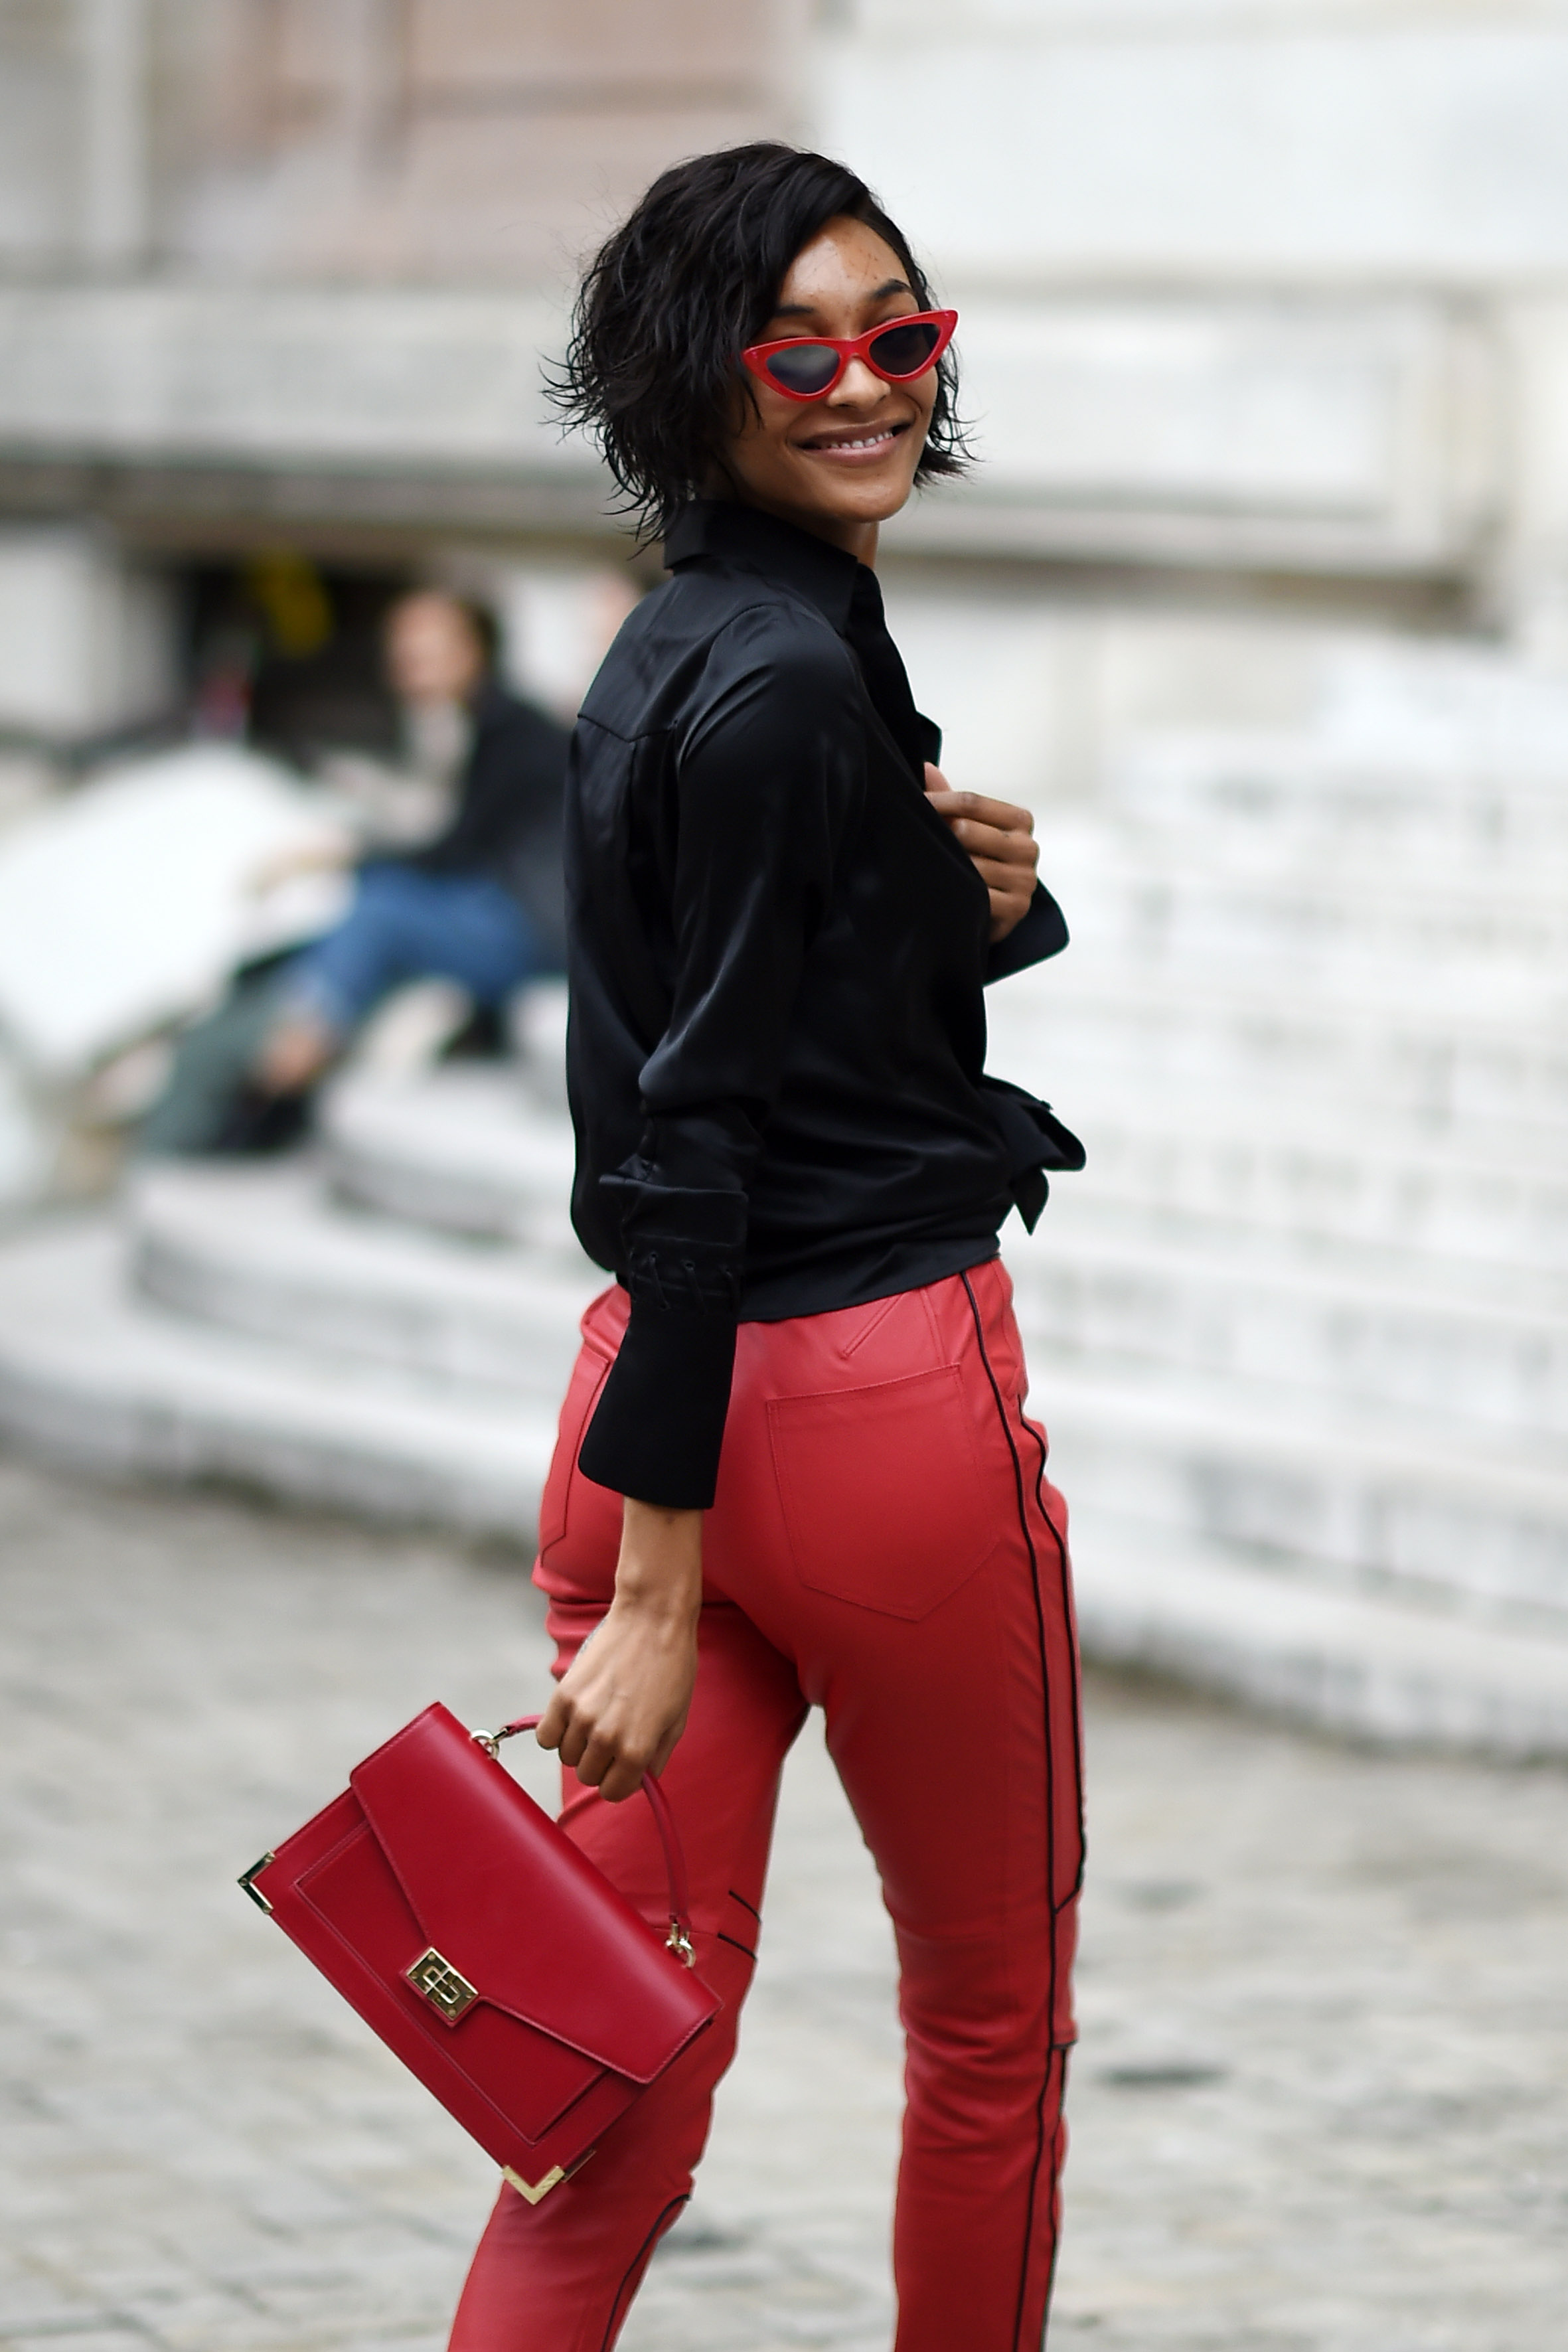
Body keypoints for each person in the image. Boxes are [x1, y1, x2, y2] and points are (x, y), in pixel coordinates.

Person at [448, 144, 1085, 2352]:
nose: (861, 386)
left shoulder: (691, 634)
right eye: (796, 349)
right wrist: (656, 1589)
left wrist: (986, 910)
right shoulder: (794, 678)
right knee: (988, 2041)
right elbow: (706, 1117)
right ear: (685, 374)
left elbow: (730, 1010)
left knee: (596, 2081)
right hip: (849, 1409)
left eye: (899, 335)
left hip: (651, 1383)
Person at [139, 589, 570, 1156]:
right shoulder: (489, 725)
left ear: (474, 650)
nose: (407, 666)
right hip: (518, 914)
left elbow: (455, 852)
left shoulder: (515, 732)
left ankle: (284, 1070)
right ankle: (289, 1061)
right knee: (374, 902)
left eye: (426, 651)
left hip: (535, 930)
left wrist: (339, 854)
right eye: (403, 652)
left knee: (380, 909)